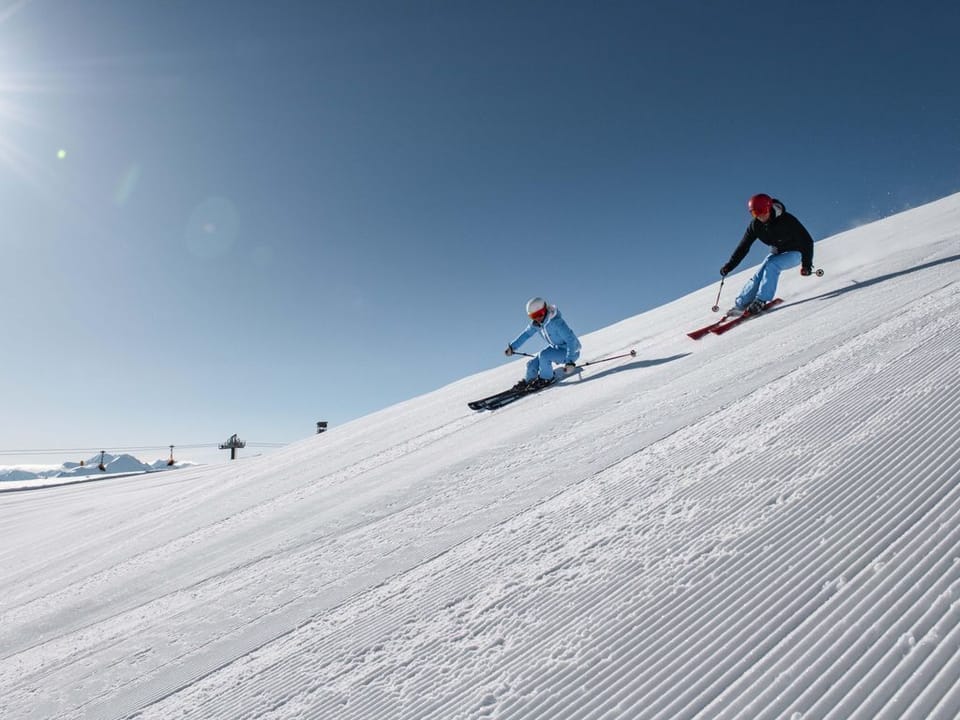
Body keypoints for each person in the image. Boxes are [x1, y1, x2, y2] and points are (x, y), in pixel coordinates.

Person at [720, 193, 815, 315]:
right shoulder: (755, 226)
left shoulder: (787, 220)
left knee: (772, 265)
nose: (760, 216)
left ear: (769, 207)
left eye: (762, 211)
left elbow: (807, 241)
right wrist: (730, 265)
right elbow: (743, 246)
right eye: (755, 213)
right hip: (777, 253)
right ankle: (741, 304)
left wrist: (806, 265)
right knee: (759, 274)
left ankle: (761, 300)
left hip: (795, 253)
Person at [505, 297, 581, 390]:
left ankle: (546, 379)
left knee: (544, 355)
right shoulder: (537, 325)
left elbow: (571, 340)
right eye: (533, 316)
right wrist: (512, 347)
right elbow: (526, 334)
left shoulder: (556, 322)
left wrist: (570, 361)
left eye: (539, 314)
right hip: (556, 349)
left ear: (545, 310)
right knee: (532, 364)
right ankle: (529, 381)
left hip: (571, 351)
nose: (537, 318)